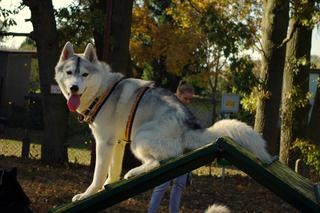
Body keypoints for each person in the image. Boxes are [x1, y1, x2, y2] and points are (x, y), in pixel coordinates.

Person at [148, 80, 194, 213]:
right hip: (167, 151)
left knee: (179, 185)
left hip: (182, 152)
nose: (187, 102)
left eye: (190, 100)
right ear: (178, 95)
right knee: (162, 185)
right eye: (185, 98)